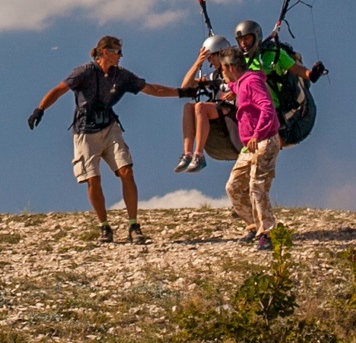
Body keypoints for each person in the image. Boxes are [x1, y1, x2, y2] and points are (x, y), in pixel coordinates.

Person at [29, 35, 183, 244]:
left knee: (126, 171)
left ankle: (133, 225)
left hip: (110, 128)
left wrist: (182, 93)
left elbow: (151, 89)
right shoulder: (84, 72)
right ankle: (104, 227)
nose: (121, 56)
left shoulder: (122, 76)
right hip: (85, 131)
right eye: (117, 51)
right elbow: (60, 90)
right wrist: (40, 109)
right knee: (93, 180)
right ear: (105, 52)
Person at [222, 55, 283, 246]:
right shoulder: (241, 84)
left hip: (264, 141)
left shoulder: (252, 82)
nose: (223, 75)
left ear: (231, 67)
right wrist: (233, 90)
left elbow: (267, 107)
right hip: (250, 145)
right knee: (234, 186)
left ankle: (267, 233)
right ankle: (254, 225)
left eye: (224, 70)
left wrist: (258, 133)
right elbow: (236, 86)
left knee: (258, 186)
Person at [174, 35, 237, 172]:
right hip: (219, 109)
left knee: (200, 106)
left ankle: (199, 155)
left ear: (220, 54)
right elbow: (185, 87)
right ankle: (188, 154)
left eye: (211, 58)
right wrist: (197, 63)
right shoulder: (213, 76)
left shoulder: (234, 71)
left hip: (234, 112)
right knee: (188, 107)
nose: (210, 63)